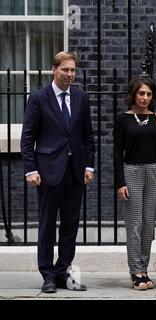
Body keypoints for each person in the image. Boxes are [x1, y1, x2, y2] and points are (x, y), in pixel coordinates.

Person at [21, 51, 96, 293]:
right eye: (65, 70)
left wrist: (88, 165)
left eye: (73, 70)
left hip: (75, 173)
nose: (70, 74)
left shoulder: (81, 97)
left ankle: (63, 271)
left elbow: (87, 135)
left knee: (70, 225)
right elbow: (28, 137)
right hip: (48, 172)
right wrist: (30, 169)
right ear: (54, 70)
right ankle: (48, 275)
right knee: (46, 225)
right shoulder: (38, 98)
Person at [114, 77, 156, 290]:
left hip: (154, 171)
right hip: (132, 172)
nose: (145, 97)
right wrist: (120, 182)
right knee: (134, 224)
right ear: (133, 95)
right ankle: (135, 271)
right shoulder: (123, 119)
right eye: (141, 93)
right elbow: (116, 153)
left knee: (148, 224)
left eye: (148, 94)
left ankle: (144, 270)